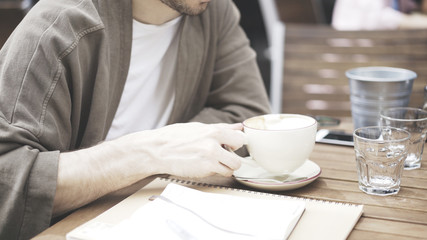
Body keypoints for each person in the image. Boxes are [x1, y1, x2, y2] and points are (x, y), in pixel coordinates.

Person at [0, 0, 271, 239]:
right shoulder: (60, 24)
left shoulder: (214, 11)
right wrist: (149, 153)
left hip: (158, 212)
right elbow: (8, 181)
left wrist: (166, 151)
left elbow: (247, 111)